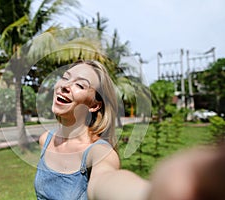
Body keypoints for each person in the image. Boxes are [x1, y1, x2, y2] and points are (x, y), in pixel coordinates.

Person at [34, 60, 150, 200]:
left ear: (95, 105)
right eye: (65, 78)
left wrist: (149, 194)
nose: (65, 86)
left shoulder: (100, 152)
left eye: (80, 85)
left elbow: (106, 180)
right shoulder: (46, 139)